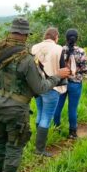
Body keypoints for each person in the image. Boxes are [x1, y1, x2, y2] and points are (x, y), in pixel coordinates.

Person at [0, 18, 69, 172]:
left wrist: (0, 89)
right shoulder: (25, 59)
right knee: (14, 146)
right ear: (26, 35)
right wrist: (57, 77)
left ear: (11, 32)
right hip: (17, 109)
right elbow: (40, 88)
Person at [53, 29, 87, 139]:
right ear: (76, 38)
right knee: (72, 108)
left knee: (58, 106)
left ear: (66, 38)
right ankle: (72, 133)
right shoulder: (81, 51)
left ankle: (56, 128)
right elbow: (85, 69)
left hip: (61, 82)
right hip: (75, 83)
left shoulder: (59, 50)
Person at [31, 27, 67, 157]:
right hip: (52, 86)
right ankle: (39, 149)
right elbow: (63, 69)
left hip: (37, 87)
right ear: (56, 37)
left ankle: (37, 143)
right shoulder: (59, 48)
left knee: (40, 112)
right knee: (46, 116)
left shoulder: (34, 47)